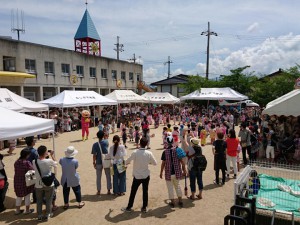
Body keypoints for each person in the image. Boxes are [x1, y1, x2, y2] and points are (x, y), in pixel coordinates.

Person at [122, 137, 157, 213]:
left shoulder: (135, 152)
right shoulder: (149, 153)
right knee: (145, 191)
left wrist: (121, 162)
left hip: (137, 176)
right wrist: (148, 162)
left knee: (133, 192)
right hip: (146, 175)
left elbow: (127, 161)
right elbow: (155, 163)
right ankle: (144, 207)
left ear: (139, 144)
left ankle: (129, 207)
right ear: (146, 144)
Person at [160, 136, 187, 208]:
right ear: (173, 141)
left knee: (170, 188)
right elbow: (182, 162)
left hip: (168, 173)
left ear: (166, 142)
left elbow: (163, 163)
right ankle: (180, 201)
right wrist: (184, 170)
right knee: (177, 186)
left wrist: (161, 172)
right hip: (177, 172)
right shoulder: (177, 150)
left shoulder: (165, 152)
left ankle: (172, 202)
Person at [33, 145, 57, 221]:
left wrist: (46, 155)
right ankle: (48, 213)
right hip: (48, 183)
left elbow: (40, 160)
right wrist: (52, 155)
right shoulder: (49, 160)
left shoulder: (34, 161)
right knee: (49, 199)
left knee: (39, 200)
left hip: (38, 184)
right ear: (45, 152)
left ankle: (39, 215)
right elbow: (55, 164)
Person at [14, 149, 35, 215]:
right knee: (27, 195)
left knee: (19, 196)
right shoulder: (27, 162)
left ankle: (17, 210)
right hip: (25, 181)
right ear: (27, 155)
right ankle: (27, 210)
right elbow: (32, 169)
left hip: (17, 180)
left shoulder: (16, 162)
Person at [91, 130, 112, 195]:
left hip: (98, 161)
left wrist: (93, 162)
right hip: (106, 160)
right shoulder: (106, 142)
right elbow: (107, 142)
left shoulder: (95, 144)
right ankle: (108, 190)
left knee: (98, 177)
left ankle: (99, 190)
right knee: (108, 175)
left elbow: (94, 155)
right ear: (103, 136)